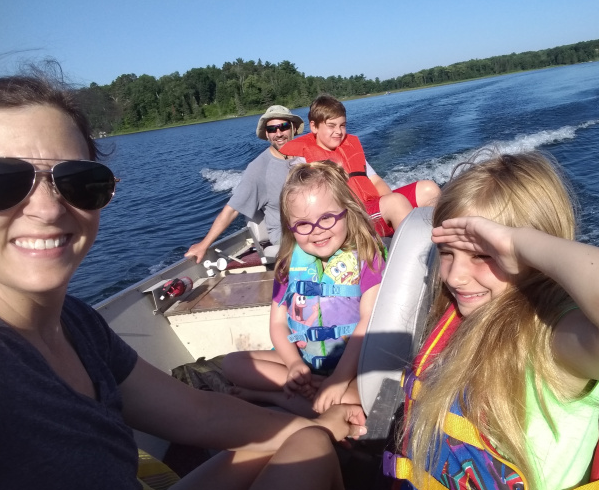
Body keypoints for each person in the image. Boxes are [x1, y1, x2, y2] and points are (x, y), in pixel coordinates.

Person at [0, 72, 367, 490]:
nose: (48, 209)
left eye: (79, 182)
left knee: (308, 444)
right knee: (313, 447)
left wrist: (318, 429)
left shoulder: (77, 325)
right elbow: (234, 209)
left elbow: (199, 412)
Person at [384, 150, 599, 490]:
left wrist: (519, 245)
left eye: (483, 254)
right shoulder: (462, 316)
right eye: (447, 253)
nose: (454, 277)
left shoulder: (553, 342)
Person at [223, 161, 386, 417]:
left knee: (372, 398)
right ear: (291, 227)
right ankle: (314, 392)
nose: (317, 231)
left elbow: (369, 321)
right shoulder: (288, 265)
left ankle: (275, 395)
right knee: (232, 364)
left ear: (347, 211)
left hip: (352, 364)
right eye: (303, 224)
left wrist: (340, 379)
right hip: (305, 359)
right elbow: (278, 324)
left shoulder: (366, 256)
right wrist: (294, 365)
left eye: (327, 218)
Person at [280, 94, 440, 237]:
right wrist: (392, 204)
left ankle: (438, 245)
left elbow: (375, 180)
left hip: (373, 207)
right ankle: (415, 260)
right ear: (314, 127)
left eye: (342, 125)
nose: (338, 131)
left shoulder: (349, 149)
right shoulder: (302, 161)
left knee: (428, 189)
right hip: (350, 219)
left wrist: (388, 202)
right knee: (395, 203)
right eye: (331, 126)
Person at [185, 105, 305, 263]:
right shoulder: (259, 169)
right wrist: (204, 244)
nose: (278, 133)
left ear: (293, 128)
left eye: (283, 127)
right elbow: (232, 210)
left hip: (315, 227)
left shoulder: (306, 155)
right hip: (288, 237)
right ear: (267, 135)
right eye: (272, 129)